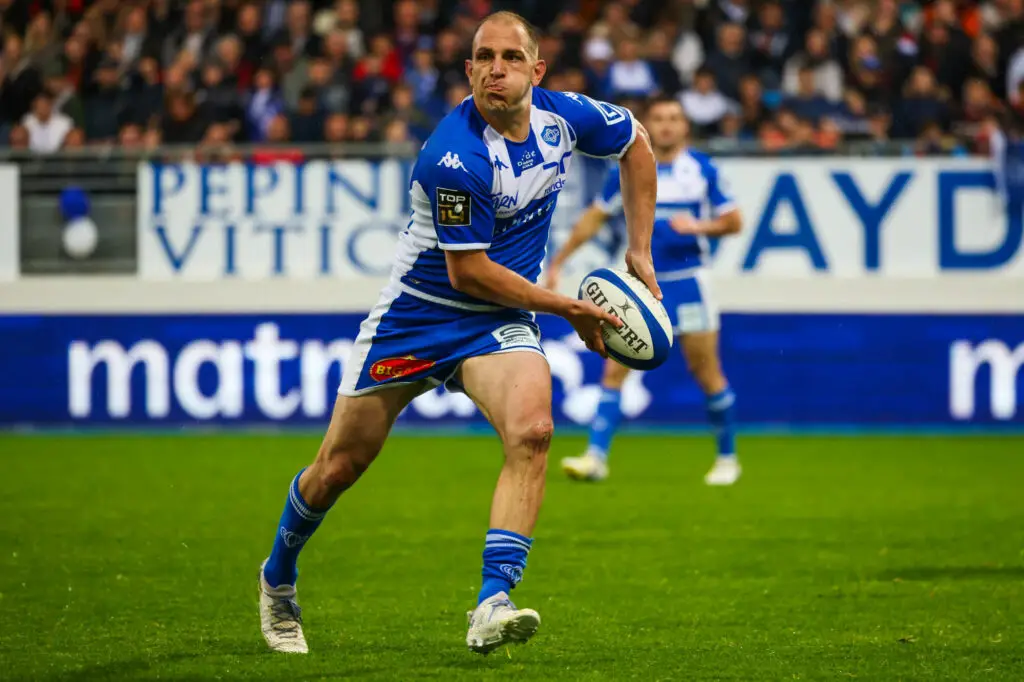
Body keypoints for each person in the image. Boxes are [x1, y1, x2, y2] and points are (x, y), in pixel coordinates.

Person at [256, 11, 660, 656]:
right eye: (484, 58)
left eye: (510, 57)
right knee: (338, 468)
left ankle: (493, 601)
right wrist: (567, 307)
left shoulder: (563, 119)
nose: (496, 69)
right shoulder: (455, 154)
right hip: (416, 319)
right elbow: (468, 272)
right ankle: (278, 579)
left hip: (496, 321)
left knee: (533, 431)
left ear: (537, 70)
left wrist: (639, 248)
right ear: (468, 69)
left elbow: (636, 141)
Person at [547, 97, 743, 486]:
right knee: (614, 368)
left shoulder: (702, 169)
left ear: (685, 126)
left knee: (706, 372)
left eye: (674, 118)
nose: (667, 125)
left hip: (688, 282)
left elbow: (734, 221)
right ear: (647, 124)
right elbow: (594, 217)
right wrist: (559, 261)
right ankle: (596, 457)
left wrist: (699, 227)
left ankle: (727, 458)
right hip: (638, 285)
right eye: (659, 118)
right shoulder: (629, 167)